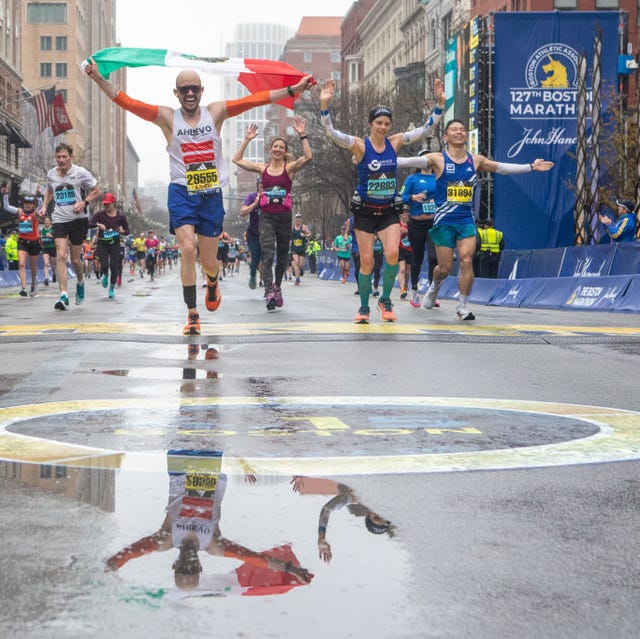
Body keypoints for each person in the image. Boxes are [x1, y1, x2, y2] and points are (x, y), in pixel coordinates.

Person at [86, 59, 312, 335]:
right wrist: (98, 78)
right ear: (176, 93)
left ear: (201, 90)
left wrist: (291, 91)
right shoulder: (167, 117)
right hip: (182, 191)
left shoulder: (215, 112)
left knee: (208, 261)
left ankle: (213, 281)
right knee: (187, 249)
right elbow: (127, 102)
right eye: (184, 89)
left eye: (194, 88)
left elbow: (255, 100)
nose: (189, 93)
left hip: (210, 195)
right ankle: (192, 313)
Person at [320, 77, 445, 323]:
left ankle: (385, 300)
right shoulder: (359, 145)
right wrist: (325, 106)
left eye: (387, 123)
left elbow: (426, 129)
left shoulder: (395, 141)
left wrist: (440, 105)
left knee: (391, 255)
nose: (383, 127)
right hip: (365, 212)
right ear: (370, 124)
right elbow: (332, 133)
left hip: (388, 210)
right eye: (379, 123)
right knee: (366, 263)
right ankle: (364, 307)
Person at [106, 450, 313, 592]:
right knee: (208, 411)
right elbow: (257, 559)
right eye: (192, 570)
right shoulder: (214, 545)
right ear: (200, 568)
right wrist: (293, 570)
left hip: (180, 464)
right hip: (210, 466)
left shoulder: (165, 540)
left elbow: (130, 553)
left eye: (182, 569)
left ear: (174, 565)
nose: (188, 566)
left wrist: (107, 570)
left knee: (186, 406)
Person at [415, 120, 553, 320]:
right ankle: (435, 286)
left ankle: (462, 306)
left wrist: (531, 166)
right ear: (445, 137)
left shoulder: (476, 160)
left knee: (466, 259)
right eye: (454, 129)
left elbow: (503, 168)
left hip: (466, 220)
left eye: (462, 129)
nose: (459, 132)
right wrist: (381, 160)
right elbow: (409, 162)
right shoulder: (437, 159)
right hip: (444, 221)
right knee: (444, 268)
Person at [232, 118, 312, 311]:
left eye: (281, 147)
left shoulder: (289, 169)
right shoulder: (263, 169)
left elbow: (308, 157)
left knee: (282, 257)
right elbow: (237, 159)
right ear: (270, 150)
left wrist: (302, 135)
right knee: (267, 256)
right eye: (275, 146)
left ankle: (277, 287)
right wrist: (247, 139)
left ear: (284, 152)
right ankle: (269, 291)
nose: (277, 149)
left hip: (284, 218)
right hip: (266, 218)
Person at [38, 142, 101, 311]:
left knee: (74, 259)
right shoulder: (51, 174)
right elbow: (50, 190)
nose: (61, 160)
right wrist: (44, 205)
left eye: (64, 156)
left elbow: (96, 190)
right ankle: (63, 295)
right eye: (58, 157)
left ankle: (80, 282)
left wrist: (84, 203)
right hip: (59, 218)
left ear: (71, 157)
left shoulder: (80, 173)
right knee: (60, 255)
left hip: (78, 219)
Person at [290, 476, 394, 564]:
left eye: (376, 517)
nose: (380, 514)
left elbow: (327, 509)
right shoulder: (394, 499)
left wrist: (321, 537)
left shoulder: (359, 497)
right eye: (384, 517)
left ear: (369, 514)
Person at [399, 153, 438, 307]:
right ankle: (414, 291)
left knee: (434, 258)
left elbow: (446, 197)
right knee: (417, 259)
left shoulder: (438, 177)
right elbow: (401, 196)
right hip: (416, 223)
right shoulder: (412, 179)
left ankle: (431, 293)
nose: (427, 162)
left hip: (433, 223)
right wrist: (412, 197)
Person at [2, 187, 43, 297]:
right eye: (26, 203)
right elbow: (6, 207)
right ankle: (24, 288)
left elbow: (41, 207)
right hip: (22, 242)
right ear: (23, 204)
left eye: (30, 203)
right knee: (21, 264)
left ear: (33, 205)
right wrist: (5, 195)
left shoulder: (35, 214)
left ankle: (33, 284)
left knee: (33, 266)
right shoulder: (20, 212)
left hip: (34, 243)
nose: (27, 205)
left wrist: (39, 196)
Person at [89, 192, 130, 299]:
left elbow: (127, 231)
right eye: (105, 204)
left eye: (108, 204)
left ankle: (111, 289)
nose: (106, 206)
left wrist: (122, 230)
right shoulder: (100, 215)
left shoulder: (121, 217)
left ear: (113, 203)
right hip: (102, 243)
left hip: (115, 244)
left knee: (114, 266)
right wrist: (98, 224)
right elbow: (89, 224)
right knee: (104, 265)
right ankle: (105, 275)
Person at [239, 179, 263, 290]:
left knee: (267, 259)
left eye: (265, 183)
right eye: (261, 184)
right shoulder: (252, 197)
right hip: (253, 233)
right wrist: (255, 204)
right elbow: (242, 212)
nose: (262, 185)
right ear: (257, 185)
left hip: (268, 233)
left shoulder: (271, 197)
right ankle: (253, 274)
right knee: (256, 258)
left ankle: (267, 285)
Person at [290, 213, 311, 285]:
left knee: (301, 264)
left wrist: (304, 235)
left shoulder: (304, 227)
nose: (298, 219)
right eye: (297, 218)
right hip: (294, 248)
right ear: (294, 219)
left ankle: (300, 270)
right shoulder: (292, 227)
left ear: (301, 220)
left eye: (299, 218)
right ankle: (297, 279)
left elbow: (309, 235)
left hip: (302, 248)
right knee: (296, 261)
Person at [397, 208, 411, 299]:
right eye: (403, 211)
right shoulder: (397, 224)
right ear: (400, 214)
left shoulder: (411, 224)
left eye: (407, 211)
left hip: (410, 249)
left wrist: (408, 232)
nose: (405, 213)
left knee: (407, 271)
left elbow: (416, 235)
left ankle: (405, 286)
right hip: (400, 248)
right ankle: (402, 289)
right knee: (402, 269)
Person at [40, 216, 57, 286]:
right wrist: (41, 241)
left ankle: (53, 273)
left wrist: (51, 236)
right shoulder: (41, 229)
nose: (46, 222)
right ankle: (46, 279)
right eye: (45, 221)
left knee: (53, 265)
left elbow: (56, 239)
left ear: (50, 222)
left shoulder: (53, 229)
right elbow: (40, 240)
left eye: (48, 221)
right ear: (44, 222)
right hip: (45, 248)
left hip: (52, 248)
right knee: (46, 263)